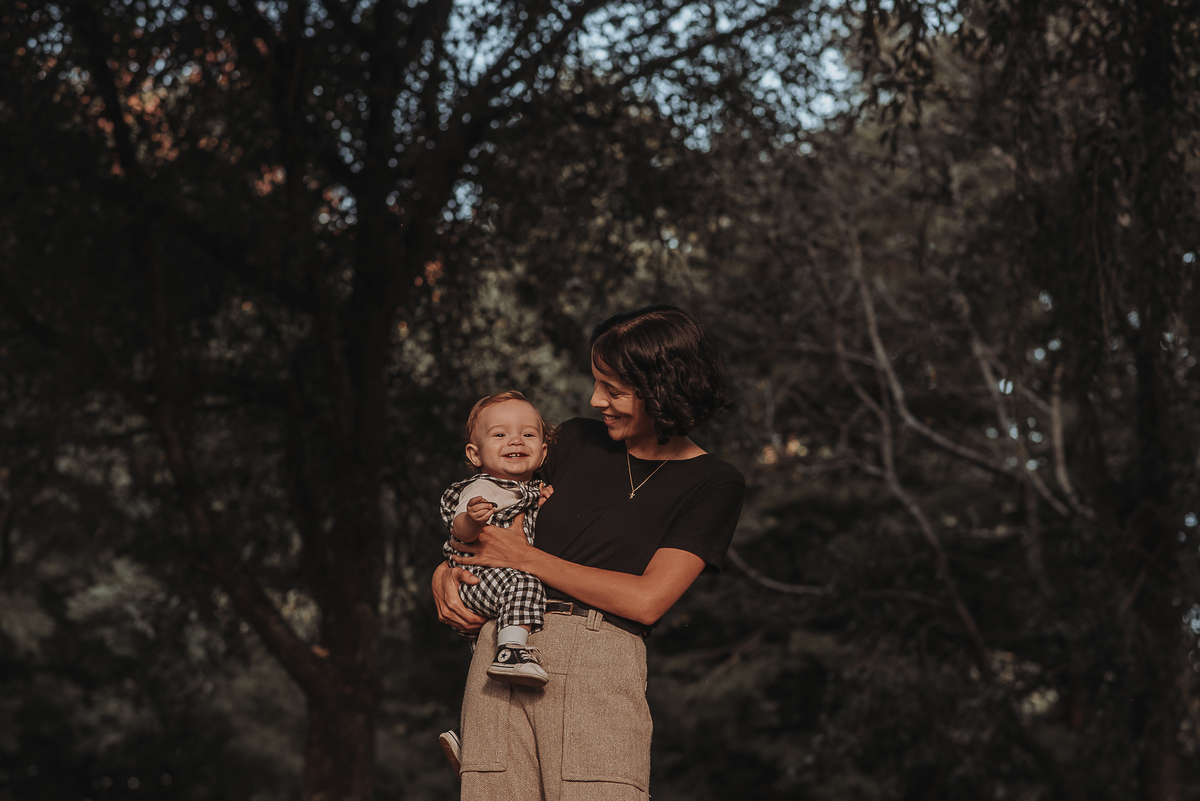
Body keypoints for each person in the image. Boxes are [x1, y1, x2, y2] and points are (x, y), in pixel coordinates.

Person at [433, 305, 745, 800]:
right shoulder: (574, 440)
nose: (596, 399)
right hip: (501, 652)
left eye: (613, 390)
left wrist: (526, 559)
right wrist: (444, 571)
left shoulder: (714, 483)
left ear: (662, 389)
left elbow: (648, 600)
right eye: (597, 383)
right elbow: (492, 507)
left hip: (600, 663)